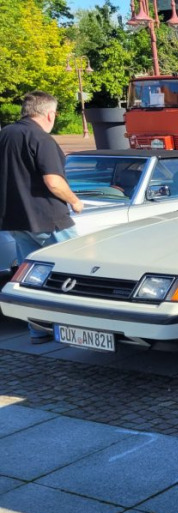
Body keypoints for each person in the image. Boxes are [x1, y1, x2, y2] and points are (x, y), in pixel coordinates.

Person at [0, 91, 84, 344]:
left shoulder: (5, 135)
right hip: (49, 219)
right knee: (77, 272)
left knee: (33, 280)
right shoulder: (41, 138)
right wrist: (75, 201)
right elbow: (54, 181)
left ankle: (38, 330)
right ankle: (80, 329)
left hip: (15, 220)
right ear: (50, 114)